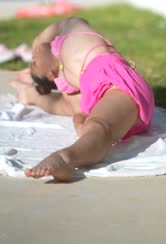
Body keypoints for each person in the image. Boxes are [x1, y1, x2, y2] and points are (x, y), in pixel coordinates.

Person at [10, 17, 154, 181]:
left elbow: (70, 22)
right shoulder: (69, 81)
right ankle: (68, 158)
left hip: (121, 82)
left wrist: (38, 42)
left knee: (100, 126)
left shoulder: (69, 34)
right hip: (113, 100)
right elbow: (64, 106)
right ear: (51, 74)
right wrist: (32, 95)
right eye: (34, 64)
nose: (33, 57)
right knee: (97, 125)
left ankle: (66, 157)